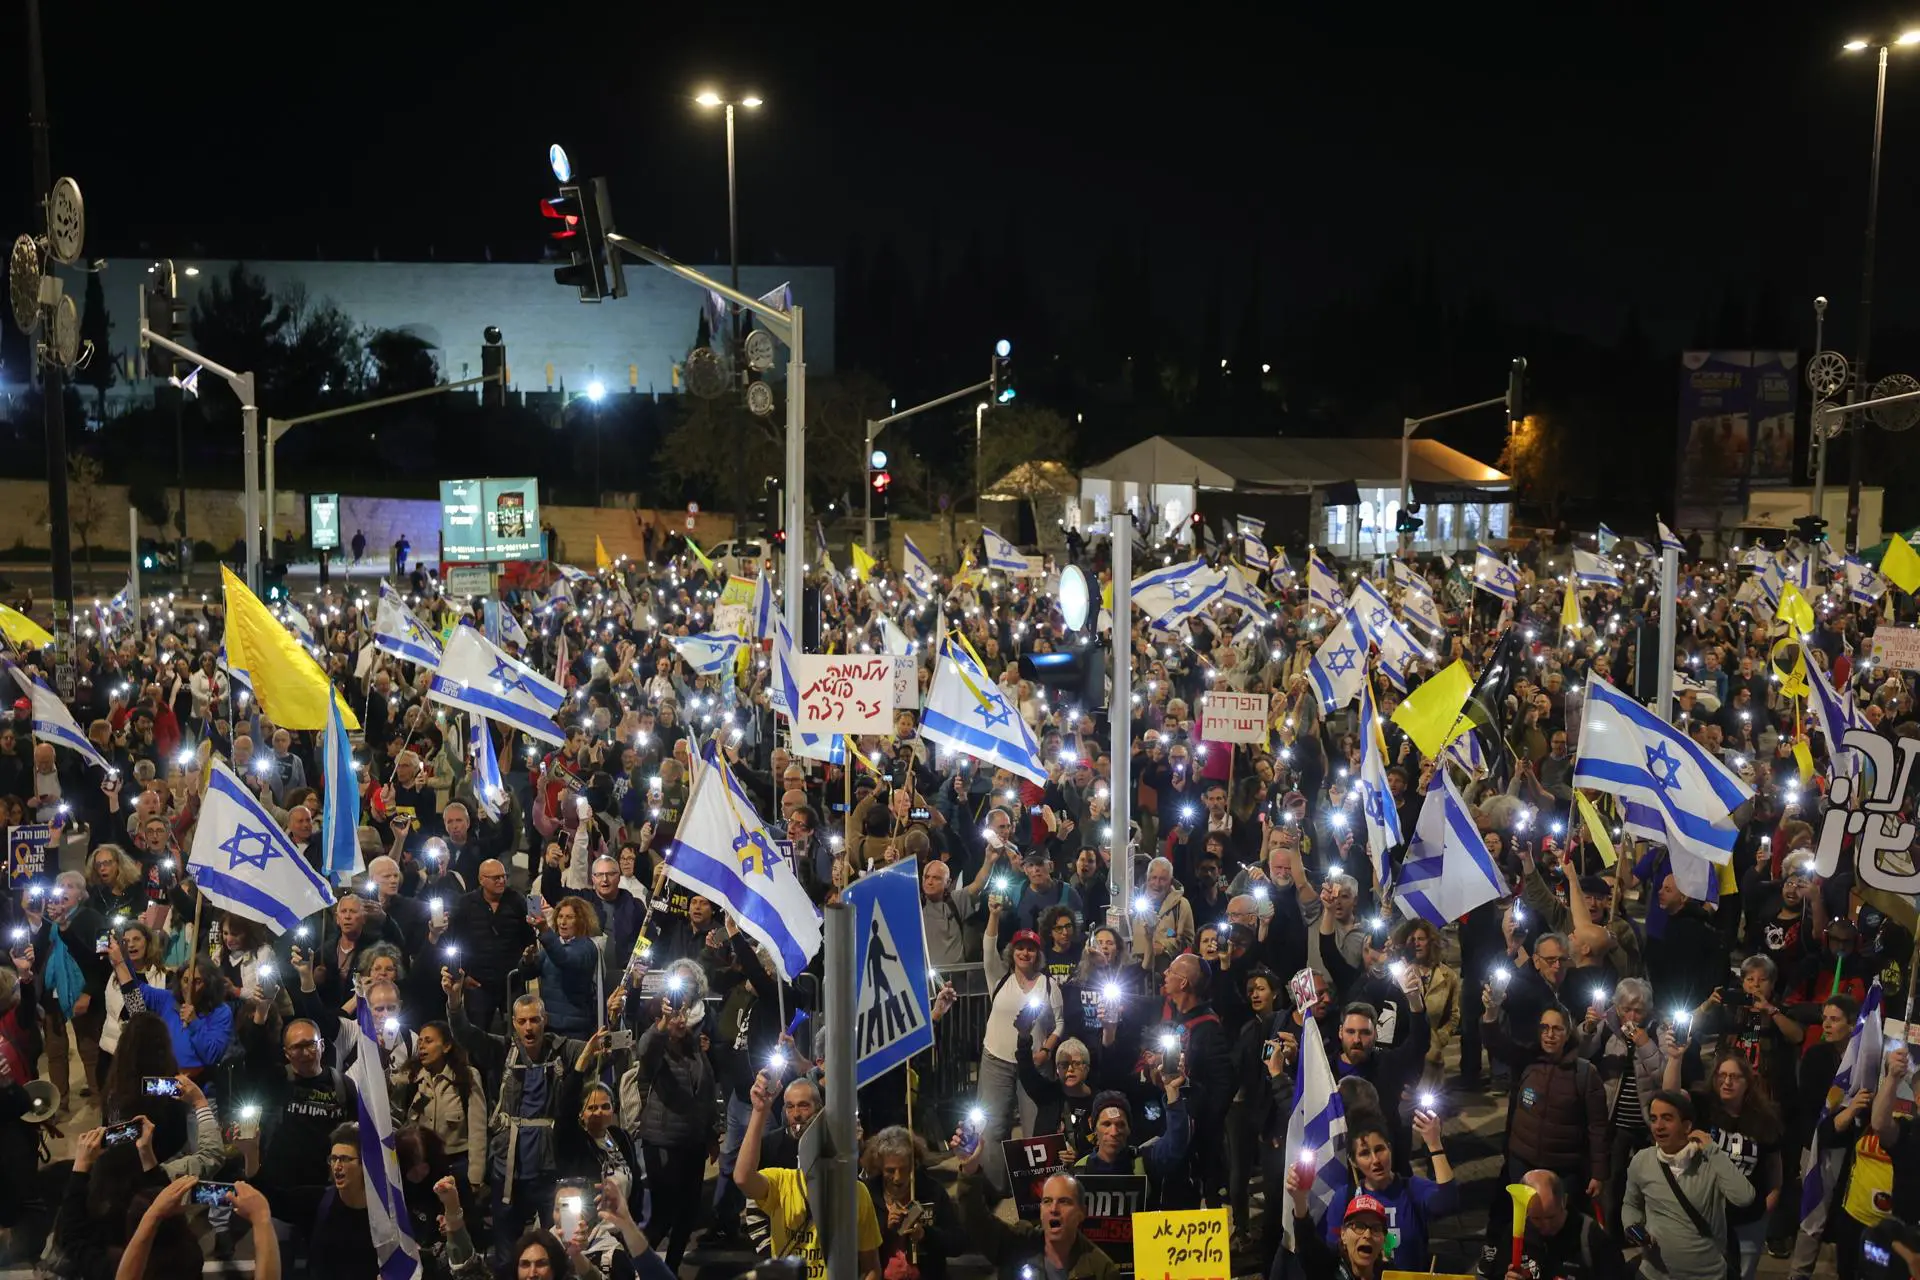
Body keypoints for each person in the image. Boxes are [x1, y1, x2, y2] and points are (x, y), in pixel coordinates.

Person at [734, 1068, 883, 1280]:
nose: (796, 1114)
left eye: (804, 1105)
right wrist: (759, 1111)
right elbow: (742, 1178)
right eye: (789, 1107)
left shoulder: (855, 1192)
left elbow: (871, 1268)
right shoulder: (782, 1181)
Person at [951, 1115, 1119, 1280]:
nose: (1054, 1209)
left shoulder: (1101, 1270)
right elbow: (976, 1221)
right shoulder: (1017, 1245)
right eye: (1047, 1201)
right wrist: (970, 1170)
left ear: (1081, 1212)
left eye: (1064, 1202)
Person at [1624, 1088, 1757, 1280]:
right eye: (1654, 1119)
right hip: (1653, 1275)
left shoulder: (1710, 1162)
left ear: (1687, 1126)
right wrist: (1632, 1226)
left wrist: (1713, 1151)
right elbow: (1631, 1204)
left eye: (1667, 1118)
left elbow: (1745, 1197)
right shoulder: (1642, 1161)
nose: (1658, 1126)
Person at [1478, 1169, 1624, 1280]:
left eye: (1551, 1217)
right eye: (1537, 1218)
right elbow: (1497, 1272)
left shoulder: (1591, 1236)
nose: (1546, 1226)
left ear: (1564, 1201)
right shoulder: (1517, 1232)